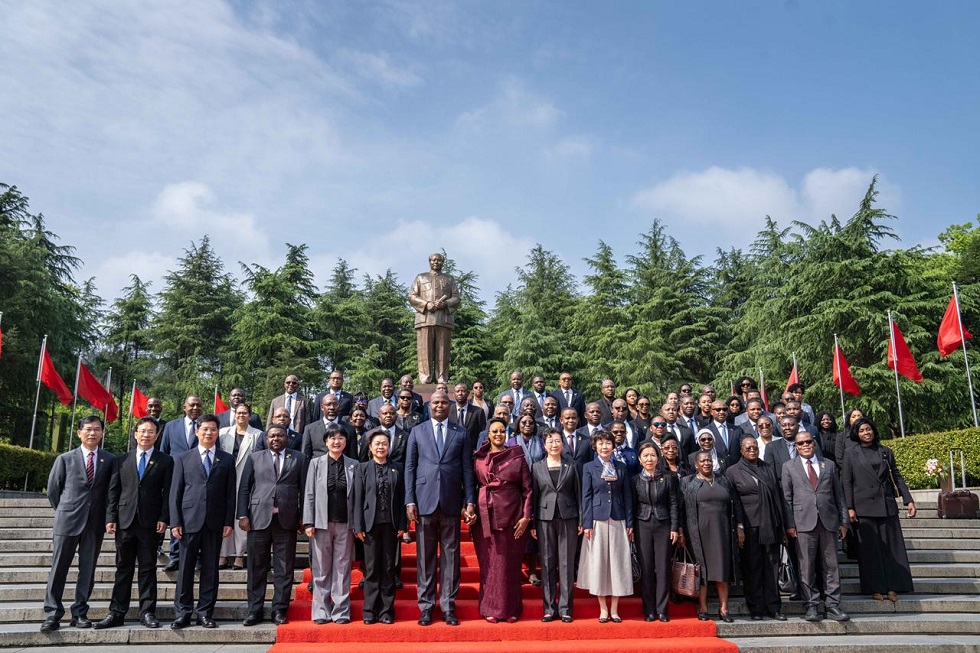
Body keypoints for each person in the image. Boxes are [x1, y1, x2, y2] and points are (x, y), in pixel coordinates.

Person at [404, 390, 477, 626]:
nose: (439, 406)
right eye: (435, 402)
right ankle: (426, 606)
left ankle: (448, 605)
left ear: (450, 406)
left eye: (444, 402)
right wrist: (410, 500)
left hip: (451, 501)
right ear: (429, 406)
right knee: (425, 558)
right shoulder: (417, 431)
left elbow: (467, 469)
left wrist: (470, 500)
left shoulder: (461, 433)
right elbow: (410, 468)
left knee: (451, 557)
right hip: (424, 501)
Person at [97, 417, 173, 630]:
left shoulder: (165, 460)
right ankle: (117, 612)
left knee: (148, 568)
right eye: (143, 431)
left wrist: (164, 518)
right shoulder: (121, 460)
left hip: (150, 523)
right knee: (123, 567)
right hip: (124, 522)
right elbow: (113, 491)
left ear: (157, 436)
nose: (146, 435)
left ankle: (147, 612)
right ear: (135, 434)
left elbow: (168, 493)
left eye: (151, 432)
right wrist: (110, 518)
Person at [41, 415, 115, 632]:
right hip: (67, 521)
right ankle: (52, 613)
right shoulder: (65, 459)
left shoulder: (109, 459)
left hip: (94, 523)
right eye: (88, 429)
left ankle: (80, 612)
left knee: (88, 569)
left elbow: (111, 492)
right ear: (79, 432)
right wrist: (66, 510)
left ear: (102, 433)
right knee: (59, 568)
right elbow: (54, 491)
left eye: (97, 429)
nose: (92, 433)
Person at [169, 414, 236, 629]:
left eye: (213, 430)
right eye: (205, 429)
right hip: (188, 521)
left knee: (210, 569)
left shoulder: (226, 459)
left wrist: (228, 521)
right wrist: (175, 521)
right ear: (197, 432)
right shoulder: (183, 458)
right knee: (185, 569)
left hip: (215, 522)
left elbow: (230, 494)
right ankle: (183, 612)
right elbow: (175, 493)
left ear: (218, 433)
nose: (209, 433)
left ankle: (205, 612)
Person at [841, 417, 916, 602]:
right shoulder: (851, 453)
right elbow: (846, 481)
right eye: (862, 431)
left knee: (891, 549)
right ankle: (874, 588)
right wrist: (849, 507)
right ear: (856, 434)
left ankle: (893, 587)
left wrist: (908, 500)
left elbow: (896, 476)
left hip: (886, 505)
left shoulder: (885, 452)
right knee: (870, 551)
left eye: (869, 429)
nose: (866, 433)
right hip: (863, 508)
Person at [238, 426, 307, 626]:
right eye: (272, 435)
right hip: (258, 519)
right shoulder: (254, 457)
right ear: (266, 438)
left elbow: (304, 490)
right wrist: (242, 514)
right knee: (256, 567)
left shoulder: (299, 458)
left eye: (280, 435)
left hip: (286, 520)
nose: (276, 438)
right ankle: (254, 610)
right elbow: (244, 488)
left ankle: (279, 610)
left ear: (287, 438)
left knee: (284, 568)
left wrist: (303, 516)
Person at [782, 430, 850, 623]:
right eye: (800, 443)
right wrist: (789, 524)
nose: (805, 446)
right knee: (807, 566)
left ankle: (833, 605)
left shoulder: (828, 465)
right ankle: (811, 605)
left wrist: (843, 522)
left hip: (828, 522)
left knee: (831, 566)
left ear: (814, 443)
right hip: (803, 523)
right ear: (796, 447)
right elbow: (787, 499)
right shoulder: (789, 467)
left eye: (808, 442)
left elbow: (839, 496)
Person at [472, 417, 533, 622]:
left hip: (512, 516)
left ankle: (511, 609)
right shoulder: (479, 458)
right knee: (489, 562)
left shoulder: (517, 456)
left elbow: (528, 489)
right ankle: (490, 608)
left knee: (508, 563)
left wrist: (526, 516)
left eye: (502, 431)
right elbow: (472, 487)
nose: (499, 434)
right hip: (484, 517)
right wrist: (468, 509)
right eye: (494, 431)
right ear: (488, 435)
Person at [725, 435, 786, 621]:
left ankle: (774, 607)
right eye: (748, 447)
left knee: (771, 567)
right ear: (741, 451)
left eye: (754, 447)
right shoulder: (733, 471)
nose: (752, 450)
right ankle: (756, 608)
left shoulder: (767, 468)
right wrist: (740, 527)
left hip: (770, 525)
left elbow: (778, 497)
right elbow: (733, 503)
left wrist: (782, 526)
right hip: (749, 527)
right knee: (753, 568)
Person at [680, 450, 745, 623]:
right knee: (701, 571)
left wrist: (739, 527)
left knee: (722, 570)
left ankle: (724, 608)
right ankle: (703, 607)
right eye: (702, 461)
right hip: (698, 535)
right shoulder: (688, 482)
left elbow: (736, 504)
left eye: (709, 460)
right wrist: (680, 532)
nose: (706, 463)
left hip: (723, 533)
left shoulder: (724, 480)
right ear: (696, 465)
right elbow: (681, 509)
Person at [576, 430, 633, 623]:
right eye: (600, 443)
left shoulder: (621, 467)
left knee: (617, 563)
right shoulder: (589, 467)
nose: (604, 447)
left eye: (608, 443)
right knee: (599, 563)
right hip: (597, 520)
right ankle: (602, 608)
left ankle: (615, 609)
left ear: (613, 445)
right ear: (595, 446)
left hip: (618, 518)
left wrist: (630, 522)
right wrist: (586, 523)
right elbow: (586, 496)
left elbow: (627, 496)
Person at [303, 423, 357, 624]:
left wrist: (357, 524)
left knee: (343, 568)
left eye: (340, 438)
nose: (336, 441)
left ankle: (341, 611)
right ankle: (321, 611)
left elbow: (358, 497)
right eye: (332, 438)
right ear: (326, 442)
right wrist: (308, 521)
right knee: (321, 569)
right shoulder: (316, 463)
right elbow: (309, 493)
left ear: (346, 441)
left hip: (346, 523)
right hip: (321, 523)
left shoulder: (353, 464)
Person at [353, 430, 406, 624]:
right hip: (370, 526)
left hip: (391, 525)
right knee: (372, 569)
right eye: (377, 443)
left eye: (384, 443)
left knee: (388, 568)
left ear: (389, 446)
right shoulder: (362, 468)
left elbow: (401, 498)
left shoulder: (397, 468)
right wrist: (357, 525)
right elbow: (357, 499)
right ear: (370, 447)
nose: (381, 447)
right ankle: (369, 610)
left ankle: (386, 611)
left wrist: (402, 524)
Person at [531, 428, 581, 623]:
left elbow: (578, 494)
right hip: (544, 519)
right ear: (544, 445)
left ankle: (566, 608)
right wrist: (534, 522)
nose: (554, 444)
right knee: (547, 563)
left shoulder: (572, 466)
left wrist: (582, 519)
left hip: (568, 517)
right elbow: (534, 496)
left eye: (557, 441)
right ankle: (549, 608)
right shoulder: (536, 467)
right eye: (550, 441)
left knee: (567, 564)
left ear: (563, 443)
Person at [631, 442, 679, 622]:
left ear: (658, 458)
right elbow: (633, 506)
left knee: (663, 568)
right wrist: (631, 528)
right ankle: (649, 610)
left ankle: (663, 609)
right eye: (645, 456)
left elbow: (674, 504)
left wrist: (674, 527)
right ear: (640, 459)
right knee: (647, 568)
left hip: (663, 525)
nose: (649, 459)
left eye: (652, 455)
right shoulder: (635, 480)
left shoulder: (668, 478)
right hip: (642, 524)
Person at [159, 395, 204, 571]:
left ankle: (198, 557)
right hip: (175, 476)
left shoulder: (205, 427)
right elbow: (164, 451)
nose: (195, 408)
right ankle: (175, 556)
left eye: (198, 405)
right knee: (175, 514)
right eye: (191, 405)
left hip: (198, 478)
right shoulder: (171, 426)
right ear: (184, 407)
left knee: (197, 516)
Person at [218, 402, 262, 569]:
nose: (241, 416)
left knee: (241, 517)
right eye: (238, 413)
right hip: (226, 479)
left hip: (246, 479)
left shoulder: (257, 435)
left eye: (245, 413)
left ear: (250, 416)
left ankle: (239, 555)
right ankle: (222, 554)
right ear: (234, 415)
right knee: (225, 516)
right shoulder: (223, 433)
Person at [408, 253, 461, 384]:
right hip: (425, 318)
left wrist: (446, 303)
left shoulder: (449, 279)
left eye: (439, 260)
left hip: (444, 319)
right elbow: (412, 296)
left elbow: (457, 298)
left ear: (443, 262)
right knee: (424, 351)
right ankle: (425, 378)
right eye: (433, 260)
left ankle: (442, 377)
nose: (436, 262)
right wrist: (427, 304)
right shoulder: (421, 277)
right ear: (429, 261)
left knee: (443, 351)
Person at [302, 394, 355, 461]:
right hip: (318, 469)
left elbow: (353, 456)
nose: (332, 407)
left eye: (335, 404)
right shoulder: (310, 429)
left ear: (339, 406)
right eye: (328, 404)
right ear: (322, 407)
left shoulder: (349, 429)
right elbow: (305, 455)